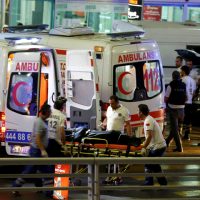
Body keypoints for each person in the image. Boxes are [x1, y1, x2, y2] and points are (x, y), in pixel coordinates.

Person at [12, 104, 53, 198]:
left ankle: (49, 192)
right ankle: (15, 186)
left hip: (37, 149)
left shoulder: (42, 121)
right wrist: (42, 150)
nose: (50, 112)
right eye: (50, 111)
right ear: (46, 112)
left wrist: (31, 145)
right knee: (29, 170)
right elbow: (37, 137)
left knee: (47, 170)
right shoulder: (39, 122)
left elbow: (32, 134)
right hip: (37, 151)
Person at [100, 95, 131, 184]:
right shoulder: (109, 108)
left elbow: (128, 125)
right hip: (108, 136)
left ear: (117, 102)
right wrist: (103, 123)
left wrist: (129, 138)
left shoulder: (124, 111)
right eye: (110, 103)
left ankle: (117, 177)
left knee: (115, 157)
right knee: (107, 157)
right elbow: (107, 118)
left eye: (112, 103)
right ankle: (108, 177)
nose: (111, 105)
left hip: (117, 137)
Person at [138, 104, 167, 186]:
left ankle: (163, 184)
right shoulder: (148, 119)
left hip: (158, 147)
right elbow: (149, 136)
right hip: (155, 146)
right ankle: (149, 183)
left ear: (141, 112)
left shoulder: (148, 121)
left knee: (154, 165)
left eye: (138, 111)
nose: (137, 113)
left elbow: (149, 136)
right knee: (148, 164)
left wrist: (143, 148)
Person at [165, 71, 187, 152]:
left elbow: (166, 98)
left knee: (175, 129)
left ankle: (179, 147)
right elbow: (187, 97)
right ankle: (166, 143)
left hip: (173, 110)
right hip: (182, 110)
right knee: (175, 129)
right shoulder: (184, 85)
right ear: (179, 77)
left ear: (172, 77)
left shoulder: (170, 86)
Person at [181, 65, 196, 140]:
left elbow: (182, 91)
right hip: (190, 102)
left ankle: (179, 134)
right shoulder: (193, 80)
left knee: (181, 119)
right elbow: (193, 93)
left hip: (183, 102)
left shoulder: (183, 79)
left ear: (183, 71)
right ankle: (187, 135)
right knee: (188, 119)